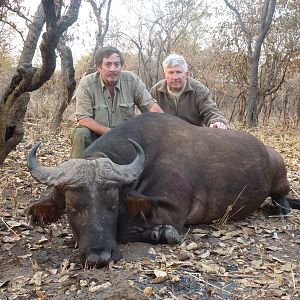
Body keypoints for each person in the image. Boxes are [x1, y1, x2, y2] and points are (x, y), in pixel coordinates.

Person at [70, 46, 163, 158]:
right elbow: (83, 119)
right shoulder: (87, 83)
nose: (113, 69)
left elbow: (151, 107)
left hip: (125, 137)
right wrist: (110, 133)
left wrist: (165, 124)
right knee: (81, 134)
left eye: (117, 64)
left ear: (121, 67)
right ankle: (76, 170)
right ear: (99, 67)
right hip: (97, 137)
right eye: (108, 64)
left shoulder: (132, 80)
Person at [150, 54, 227, 129]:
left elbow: (210, 110)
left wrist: (217, 121)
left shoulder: (198, 89)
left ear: (186, 74)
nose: (175, 77)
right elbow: (148, 116)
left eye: (179, 72)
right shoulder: (156, 91)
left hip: (193, 137)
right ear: (164, 75)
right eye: (170, 73)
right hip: (166, 135)